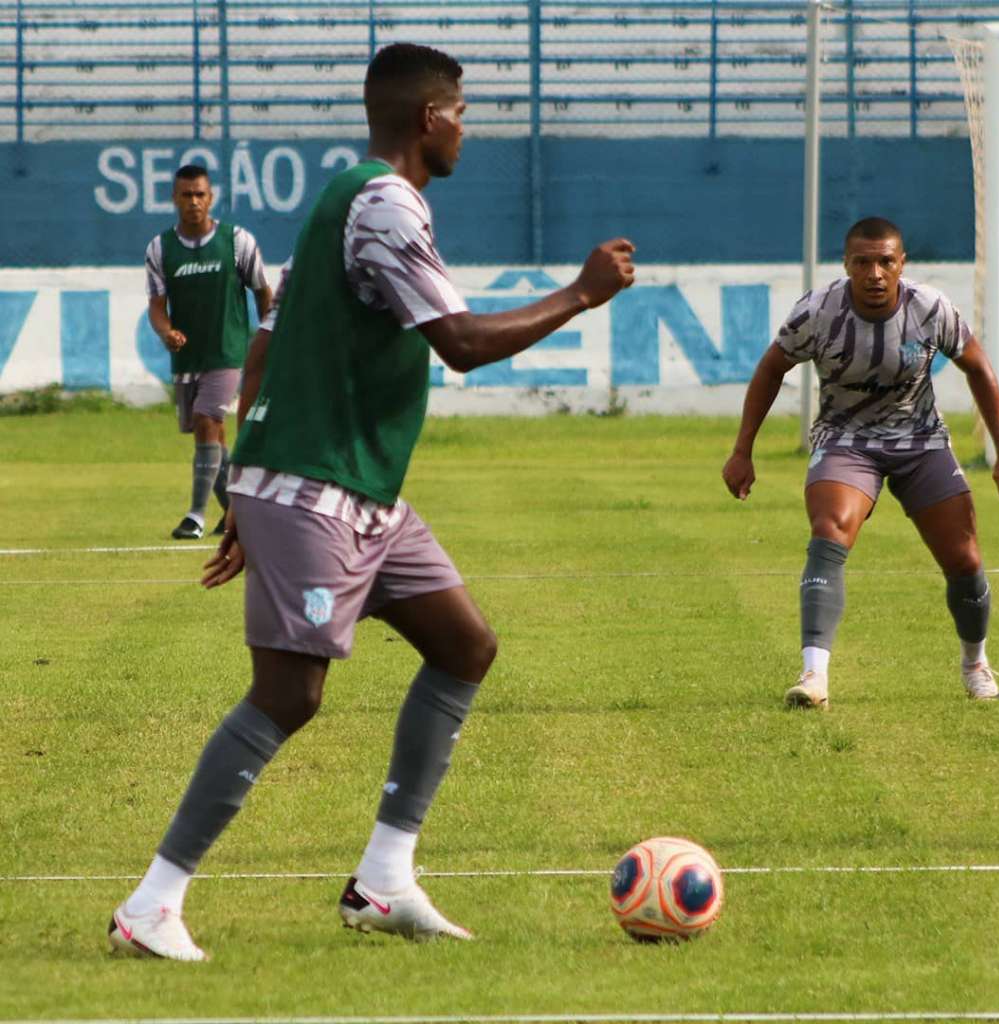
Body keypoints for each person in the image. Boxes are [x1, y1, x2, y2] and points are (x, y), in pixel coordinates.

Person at [108, 42, 635, 960]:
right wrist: (582, 293)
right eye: (462, 112)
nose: (468, 128)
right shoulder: (388, 205)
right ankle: (152, 903)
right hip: (316, 491)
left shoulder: (342, 195)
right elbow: (462, 342)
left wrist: (241, 484)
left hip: (354, 491)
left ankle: (382, 882)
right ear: (429, 118)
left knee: (464, 645)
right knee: (289, 694)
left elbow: (269, 336)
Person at [722, 216, 999, 709]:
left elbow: (978, 367)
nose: (875, 273)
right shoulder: (817, 311)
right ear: (847, 265)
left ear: (901, 264)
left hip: (921, 441)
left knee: (964, 558)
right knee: (830, 529)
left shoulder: (930, 308)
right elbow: (771, 368)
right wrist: (742, 450)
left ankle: (975, 663)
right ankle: (813, 676)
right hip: (846, 441)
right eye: (863, 262)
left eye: (886, 261)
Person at [146, 164, 274, 540]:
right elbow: (156, 305)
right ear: (174, 198)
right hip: (187, 359)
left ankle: (195, 516)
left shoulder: (238, 242)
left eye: (200, 194)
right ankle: (238, 513)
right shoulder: (160, 248)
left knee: (207, 419)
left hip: (228, 353)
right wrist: (166, 330)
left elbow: (263, 291)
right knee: (212, 437)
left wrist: (266, 341)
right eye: (186, 195)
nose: (194, 202)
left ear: (211, 197)